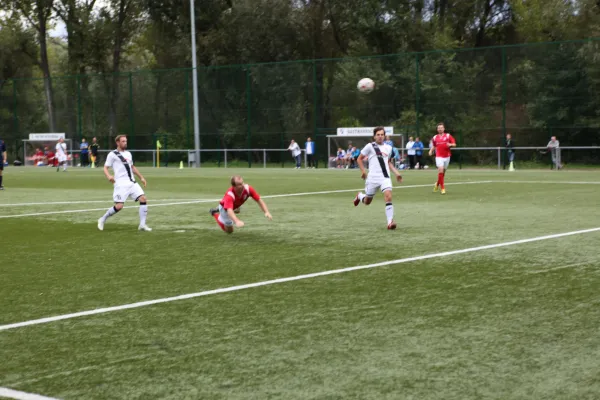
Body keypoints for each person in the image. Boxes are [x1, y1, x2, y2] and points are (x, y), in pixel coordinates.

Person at [97, 135, 151, 232]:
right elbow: (105, 167)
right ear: (117, 142)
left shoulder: (129, 154)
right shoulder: (112, 154)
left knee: (143, 199)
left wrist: (141, 177)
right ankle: (102, 219)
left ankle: (142, 225)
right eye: (123, 141)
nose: (125, 143)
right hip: (120, 184)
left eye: (126, 141)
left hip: (132, 182)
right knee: (119, 206)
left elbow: (132, 167)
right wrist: (109, 176)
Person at [353, 126, 403, 230]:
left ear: (384, 136)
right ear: (374, 136)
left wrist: (397, 173)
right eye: (378, 135)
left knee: (388, 196)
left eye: (382, 134)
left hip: (385, 177)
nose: (380, 136)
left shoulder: (388, 148)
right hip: (372, 178)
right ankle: (359, 196)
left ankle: (390, 222)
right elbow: (359, 159)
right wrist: (363, 171)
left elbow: (388, 162)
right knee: (367, 201)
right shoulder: (370, 146)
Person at [429, 122, 456, 195]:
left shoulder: (448, 136)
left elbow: (454, 144)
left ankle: (437, 184)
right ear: (437, 129)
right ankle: (443, 188)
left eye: (441, 128)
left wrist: (450, 144)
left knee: (443, 173)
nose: (440, 129)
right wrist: (431, 150)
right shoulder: (435, 137)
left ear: (444, 128)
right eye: (438, 128)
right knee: (440, 170)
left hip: (447, 156)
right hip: (439, 156)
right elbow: (434, 146)